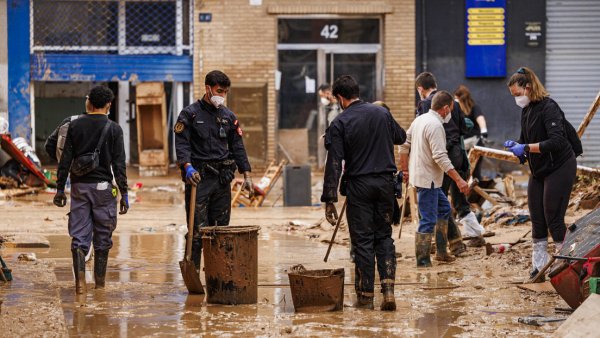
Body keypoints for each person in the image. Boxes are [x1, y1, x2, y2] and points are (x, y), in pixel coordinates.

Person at [321, 75, 406, 311]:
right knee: (384, 237)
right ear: (357, 92)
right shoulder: (382, 113)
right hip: (385, 186)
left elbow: (334, 164)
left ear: (339, 97)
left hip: (359, 187)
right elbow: (401, 137)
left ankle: (366, 297)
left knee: (363, 242)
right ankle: (388, 291)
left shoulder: (340, 123)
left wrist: (329, 199)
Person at [174, 70, 253, 273]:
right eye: (219, 90)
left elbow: (238, 147)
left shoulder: (228, 117)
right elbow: (182, 144)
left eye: (225, 92)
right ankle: (192, 273)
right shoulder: (189, 115)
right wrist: (187, 166)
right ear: (207, 88)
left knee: (221, 230)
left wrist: (247, 175)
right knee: (197, 231)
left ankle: (217, 275)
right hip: (198, 179)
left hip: (222, 179)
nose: (222, 95)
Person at [53, 86, 129, 294]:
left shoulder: (74, 126)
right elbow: (119, 165)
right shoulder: (114, 129)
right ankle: (100, 285)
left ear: (90, 103)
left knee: (79, 236)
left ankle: (79, 283)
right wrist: (124, 194)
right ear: (108, 105)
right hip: (104, 190)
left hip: (79, 188)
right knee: (103, 237)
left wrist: (60, 189)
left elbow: (65, 160)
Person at [504, 66, 577, 280]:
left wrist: (525, 148)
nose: (516, 99)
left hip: (560, 165)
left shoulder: (549, 107)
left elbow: (557, 141)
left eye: (517, 94)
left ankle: (568, 265)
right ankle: (539, 266)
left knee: (553, 215)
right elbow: (525, 139)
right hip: (539, 168)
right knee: (537, 216)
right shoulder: (527, 111)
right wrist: (517, 147)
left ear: (528, 88)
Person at [399, 91, 470, 267]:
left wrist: (406, 170)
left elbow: (403, 145)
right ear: (446, 108)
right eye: (451, 109)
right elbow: (440, 157)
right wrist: (459, 180)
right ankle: (422, 261)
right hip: (428, 180)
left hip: (424, 177)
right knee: (428, 220)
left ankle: (441, 252)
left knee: (444, 208)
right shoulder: (436, 125)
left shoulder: (420, 120)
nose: (451, 113)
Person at [415, 72, 486, 249]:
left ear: (420, 89)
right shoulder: (454, 103)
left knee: (438, 203)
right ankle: (475, 235)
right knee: (460, 201)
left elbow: (421, 134)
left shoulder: (425, 105)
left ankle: (443, 244)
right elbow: (464, 127)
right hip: (459, 156)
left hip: (441, 160)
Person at [454, 85, 489, 180]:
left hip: (474, 143)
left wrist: (484, 131)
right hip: (464, 145)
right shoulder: (457, 109)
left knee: (474, 173)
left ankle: (475, 193)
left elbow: (481, 119)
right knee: (466, 173)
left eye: (456, 98)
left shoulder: (473, 107)